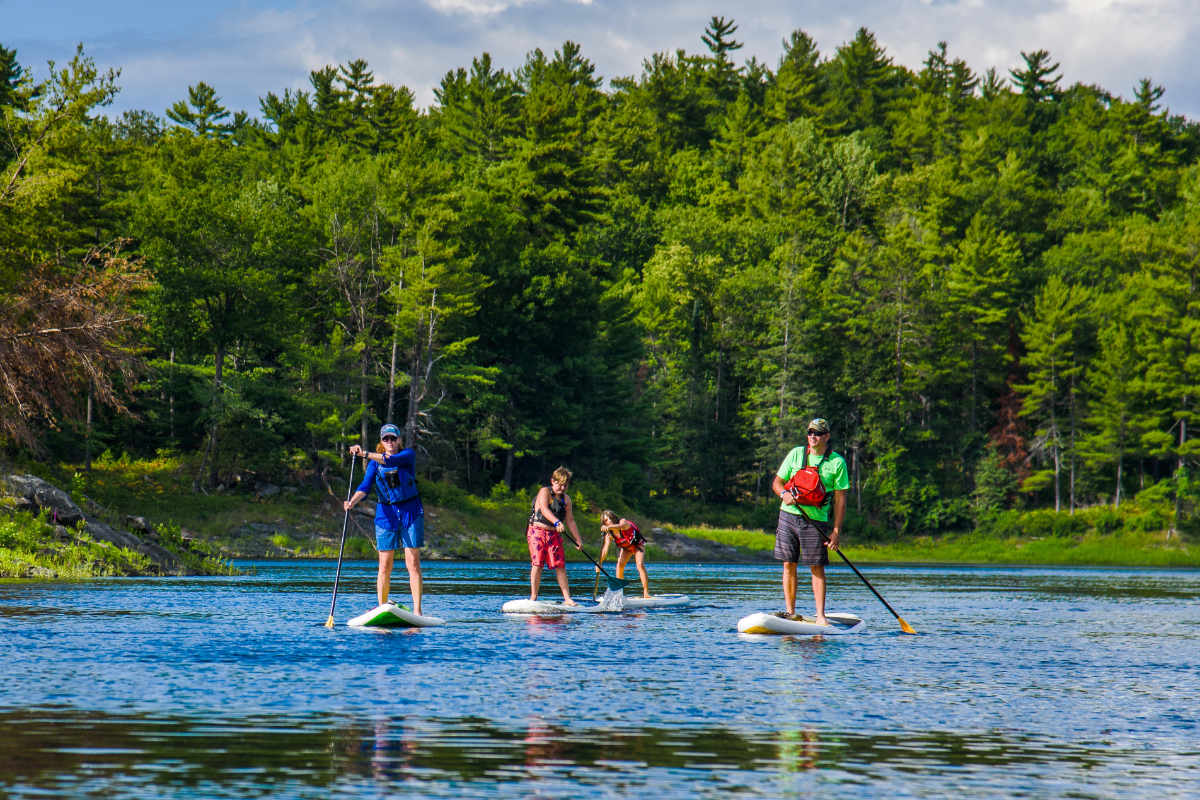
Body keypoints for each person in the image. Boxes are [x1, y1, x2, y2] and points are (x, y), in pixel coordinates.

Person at [770, 417, 850, 625]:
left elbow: (840, 500)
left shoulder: (836, 462)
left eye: (818, 433)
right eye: (810, 432)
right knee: (789, 563)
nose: (813, 436)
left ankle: (821, 616)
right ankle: (790, 612)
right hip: (788, 514)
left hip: (816, 521)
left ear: (826, 436)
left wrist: (836, 531)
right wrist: (783, 495)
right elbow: (777, 483)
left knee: (816, 566)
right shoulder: (796, 454)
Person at [344, 423, 426, 615]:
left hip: (410, 512)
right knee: (384, 564)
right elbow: (365, 486)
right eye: (385, 439)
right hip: (386, 515)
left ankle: (417, 611)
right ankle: (382, 608)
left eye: (393, 438)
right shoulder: (374, 463)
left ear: (399, 440)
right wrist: (351, 503)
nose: (390, 442)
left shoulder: (407, 456)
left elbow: (389, 461)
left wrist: (363, 453)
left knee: (412, 563)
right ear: (381, 441)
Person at [526, 466, 584, 603]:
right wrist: (557, 522)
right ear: (553, 481)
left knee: (560, 565)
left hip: (554, 534)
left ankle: (568, 599)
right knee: (537, 564)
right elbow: (544, 510)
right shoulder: (544, 492)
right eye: (559, 484)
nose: (562, 488)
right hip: (537, 531)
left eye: (565, 485)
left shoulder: (567, 499)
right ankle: (533, 597)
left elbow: (570, 521)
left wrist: (578, 540)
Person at [597, 510, 650, 598]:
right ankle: (619, 593)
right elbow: (605, 549)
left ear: (613, 517)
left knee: (640, 565)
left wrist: (609, 527)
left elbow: (620, 526)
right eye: (606, 521)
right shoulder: (609, 534)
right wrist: (600, 562)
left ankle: (646, 592)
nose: (608, 521)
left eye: (609, 518)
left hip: (637, 546)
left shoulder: (623, 522)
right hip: (626, 548)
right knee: (619, 565)